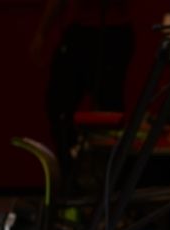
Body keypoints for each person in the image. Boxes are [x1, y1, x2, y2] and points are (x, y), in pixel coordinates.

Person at [31, 0, 135, 172]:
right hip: (80, 32)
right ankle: (71, 166)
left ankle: (109, 173)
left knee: (108, 109)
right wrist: (42, 32)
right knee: (58, 105)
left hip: (112, 33)